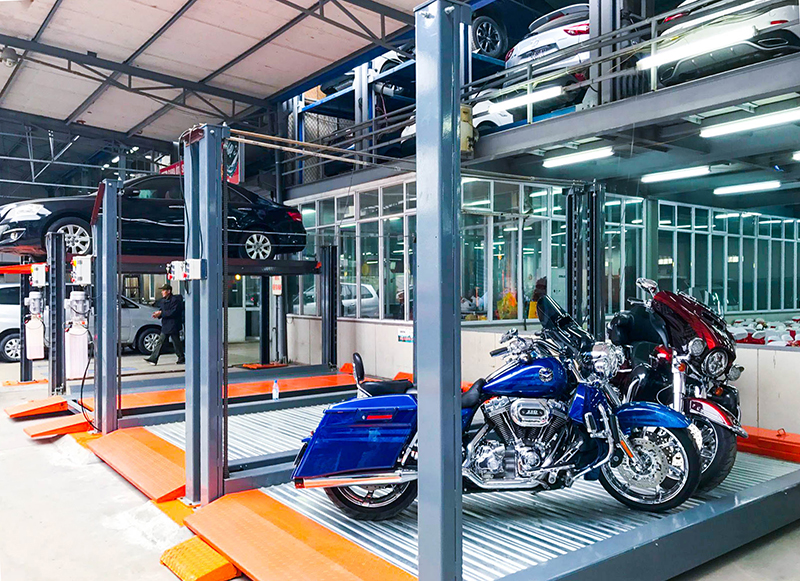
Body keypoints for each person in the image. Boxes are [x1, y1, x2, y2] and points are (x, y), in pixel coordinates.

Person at [144, 283, 185, 365]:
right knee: (172, 342)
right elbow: (162, 310)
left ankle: (154, 358)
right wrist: (157, 314)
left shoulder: (175, 300)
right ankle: (181, 357)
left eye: (164, 290)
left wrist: (161, 313)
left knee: (166, 341)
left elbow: (173, 312)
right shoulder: (163, 301)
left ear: (168, 291)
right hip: (166, 324)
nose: (162, 292)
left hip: (173, 324)